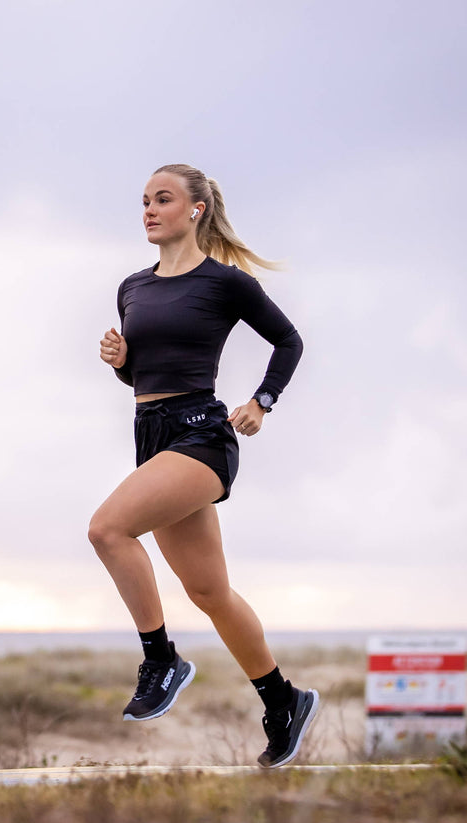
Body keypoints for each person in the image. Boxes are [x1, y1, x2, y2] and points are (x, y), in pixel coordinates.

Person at [89, 163, 318, 768]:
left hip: (201, 435)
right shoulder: (132, 287)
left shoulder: (225, 282)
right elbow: (142, 378)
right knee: (209, 590)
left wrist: (261, 402)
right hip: (152, 434)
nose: (149, 210)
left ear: (195, 210)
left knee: (107, 530)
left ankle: (161, 659)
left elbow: (288, 340)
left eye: (162, 199)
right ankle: (282, 701)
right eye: (143, 201)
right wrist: (120, 362)